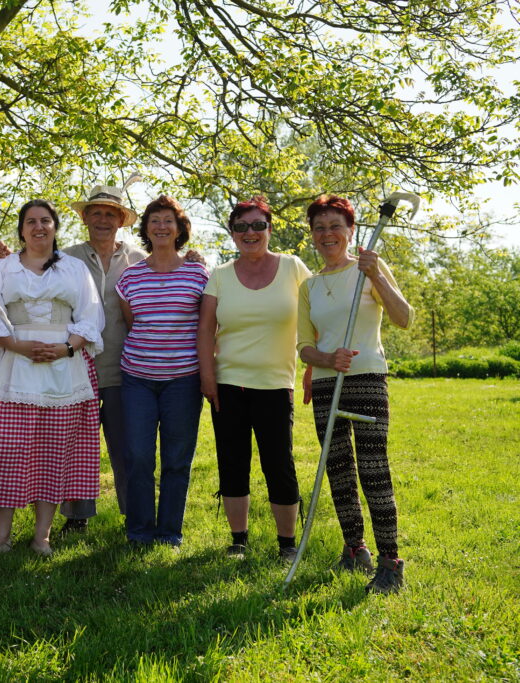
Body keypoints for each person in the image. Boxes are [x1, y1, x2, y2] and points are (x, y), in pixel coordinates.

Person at [0, 184, 145, 534]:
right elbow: (29, 268)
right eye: (96, 213)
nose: (103, 220)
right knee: (72, 442)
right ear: (85, 218)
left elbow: (165, 273)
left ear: (121, 220)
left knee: (126, 448)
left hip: (124, 365)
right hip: (77, 363)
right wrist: (4, 258)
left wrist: (192, 259)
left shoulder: (138, 259)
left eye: (110, 214)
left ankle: (134, 519)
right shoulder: (69, 257)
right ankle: (76, 518)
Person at [0, 200, 104, 557]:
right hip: (14, 367)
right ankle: (0, 539)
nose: (38, 227)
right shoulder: (4, 268)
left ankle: (42, 537)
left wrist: (66, 348)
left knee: (52, 454)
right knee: (4, 452)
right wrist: (19, 345)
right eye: (31, 222)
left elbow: (91, 316)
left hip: (64, 371)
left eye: (45, 221)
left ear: (55, 227)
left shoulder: (73, 268)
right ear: (22, 230)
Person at [298, 194, 414, 593]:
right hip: (326, 383)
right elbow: (304, 347)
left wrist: (377, 275)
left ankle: (390, 563)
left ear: (350, 231)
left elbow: (404, 318)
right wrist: (327, 358)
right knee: (338, 470)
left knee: (373, 469)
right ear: (312, 235)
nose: (327, 234)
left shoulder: (368, 267)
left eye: (335, 226)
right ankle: (354, 549)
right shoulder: (310, 286)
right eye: (319, 227)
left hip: (366, 378)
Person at [197, 195, 311, 562]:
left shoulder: (293, 267)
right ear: (232, 233)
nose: (250, 232)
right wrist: (207, 377)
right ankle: (238, 540)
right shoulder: (220, 275)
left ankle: (287, 544)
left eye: (258, 225)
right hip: (228, 385)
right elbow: (205, 330)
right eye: (241, 227)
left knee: (279, 464)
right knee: (232, 462)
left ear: (270, 229)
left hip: (276, 385)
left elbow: (317, 314)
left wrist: (314, 364)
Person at [116, 196, 209, 548]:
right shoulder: (130, 276)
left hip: (183, 380)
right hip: (137, 379)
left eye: (168, 220)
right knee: (139, 456)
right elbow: (132, 323)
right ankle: (139, 532)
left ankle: (170, 533)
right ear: (146, 229)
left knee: (176, 459)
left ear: (180, 228)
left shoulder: (198, 274)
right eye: (154, 220)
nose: (161, 226)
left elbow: (207, 325)